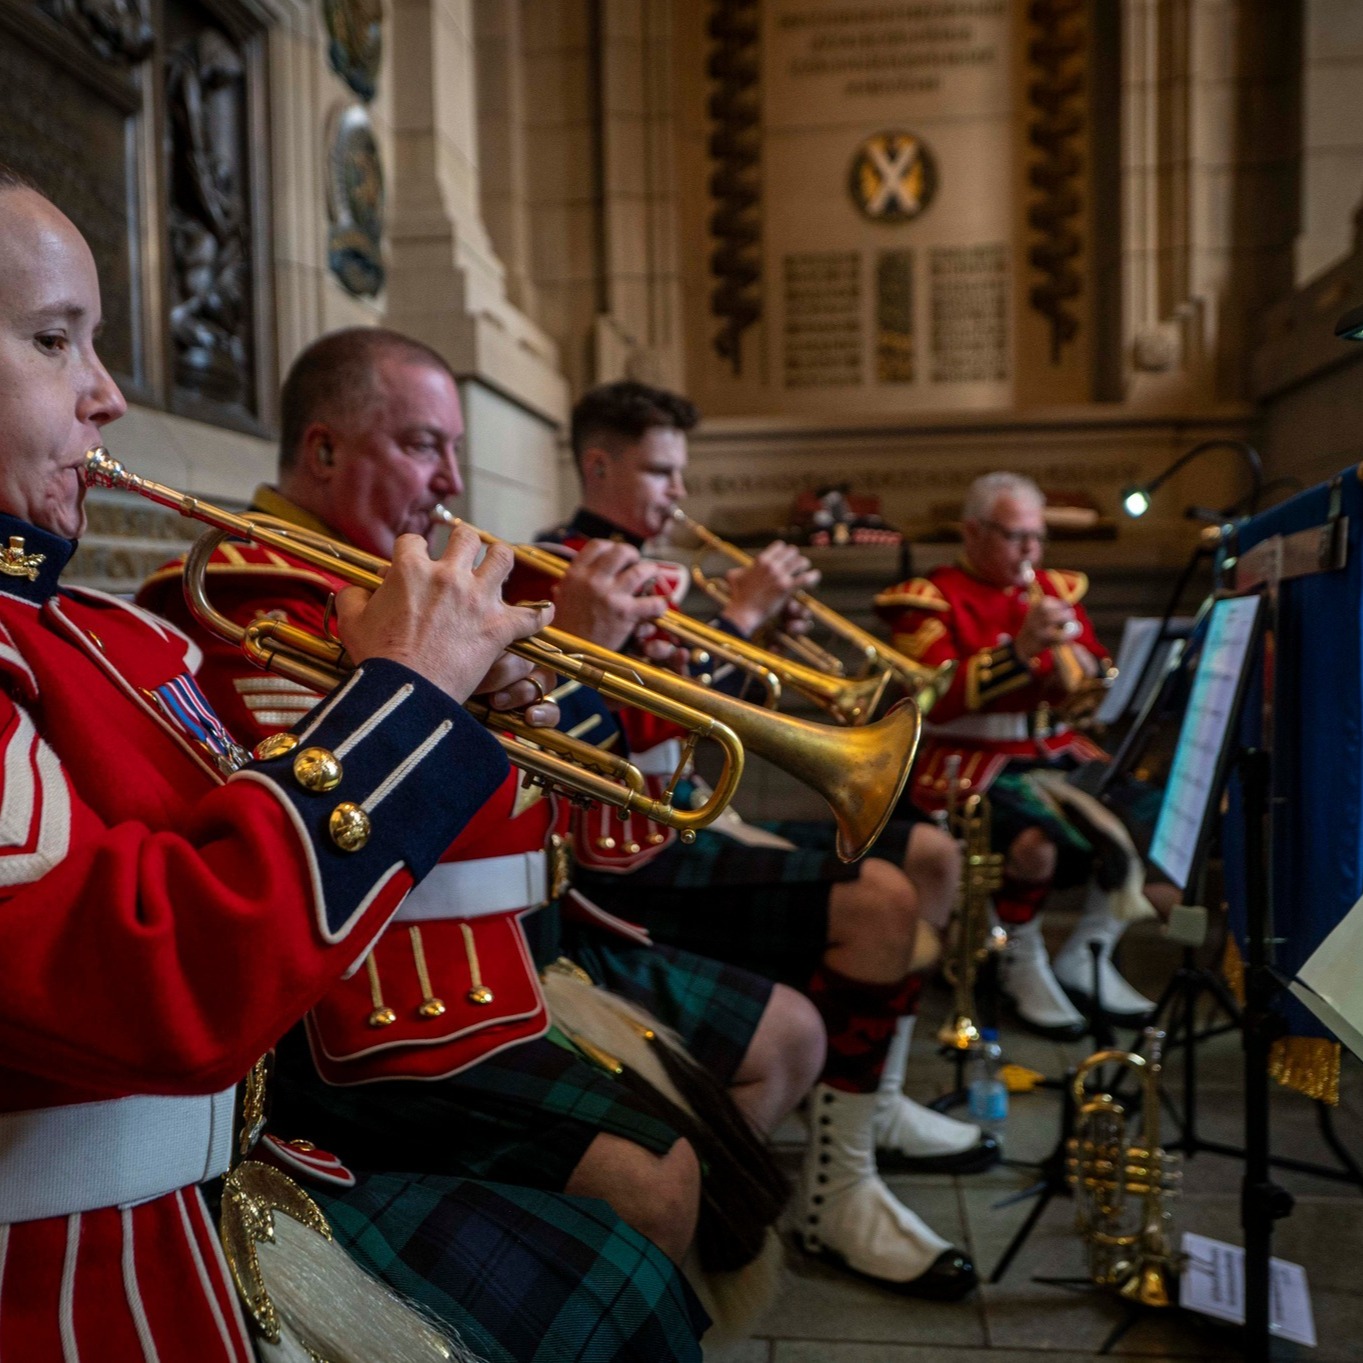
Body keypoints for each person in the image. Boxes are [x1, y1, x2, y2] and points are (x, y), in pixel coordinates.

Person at [136, 328, 822, 1320]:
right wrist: (512, 698)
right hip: (374, 1002)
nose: (451, 480)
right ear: (325, 452)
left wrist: (555, 692)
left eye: (453, 447)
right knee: (656, 1181)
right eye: (423, 444)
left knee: (725, 1126)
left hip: (511, 958)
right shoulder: (249, 592)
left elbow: (591, 832)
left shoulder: (419, 586)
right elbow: (372, 825)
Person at [529, 380, 987, 1300]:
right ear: (597, 464)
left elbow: (707, 725)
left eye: (680, 472)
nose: (675, 494)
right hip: (623, 856)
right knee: (883, 901)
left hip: (683, 816)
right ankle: (837, 1182)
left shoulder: (655, 569)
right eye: (659, 471)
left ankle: (864, 1117)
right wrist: (736, 625)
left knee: (928, 855)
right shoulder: (552, 568)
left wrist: (755, 638)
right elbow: (602, 734)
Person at [874, 471, 1155, 1037]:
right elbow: (935, 698)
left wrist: (1089, 667)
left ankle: (1087, 952)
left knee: (1150, 811)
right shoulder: (930, 598)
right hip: (967, 759)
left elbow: (1097, 670)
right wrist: (1020, 653)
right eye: (1014, 536)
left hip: (1050, 746)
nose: (1030, 551)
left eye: (1037, 537)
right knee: (1037, 844)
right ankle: (1020, 962)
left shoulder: (1054, 590)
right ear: (973, 532)